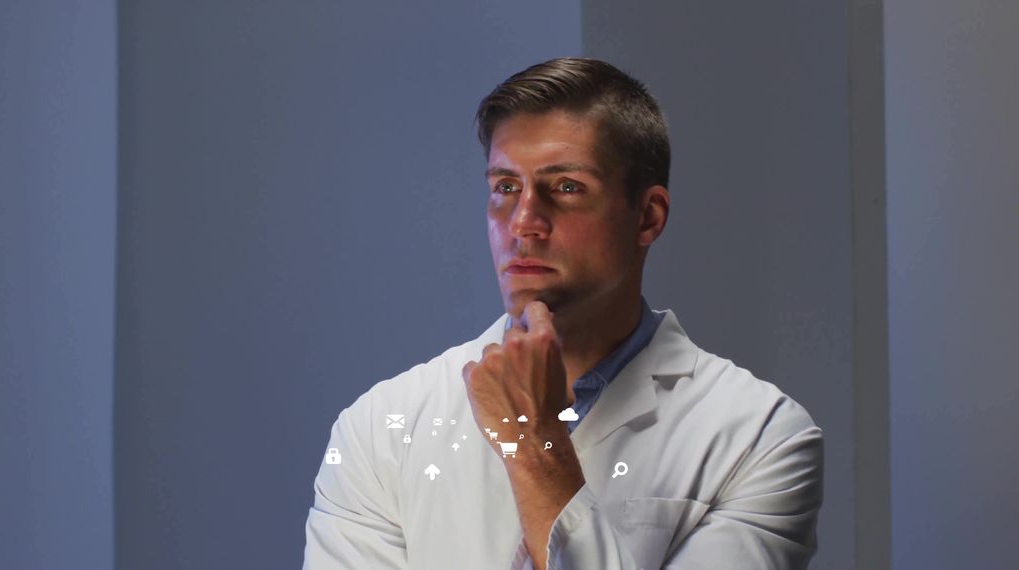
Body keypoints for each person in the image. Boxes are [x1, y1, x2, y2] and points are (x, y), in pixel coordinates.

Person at [303, 57, 823, 570]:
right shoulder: (379, 428)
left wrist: (534, 442)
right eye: (505, 187)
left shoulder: (761, 437)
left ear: (648, 216)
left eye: (567, 187)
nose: (524, 221)